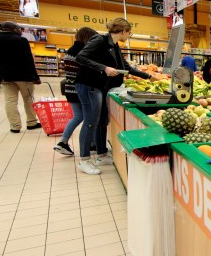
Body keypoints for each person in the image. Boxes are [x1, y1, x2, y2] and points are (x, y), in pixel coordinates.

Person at [75, 18, 153, 175]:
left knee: (102, 120)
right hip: (90, 85)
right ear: (123, 31)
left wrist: (149, 77)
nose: (129, 35)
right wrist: (104, 68)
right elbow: (81, 57)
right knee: (91, 122)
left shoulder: (114, 45)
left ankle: (101, 154)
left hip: (101, 87)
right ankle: (84, 160)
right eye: (129, 32)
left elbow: (126, 67)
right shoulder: (100, 40)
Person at [0, 21, 42, 133]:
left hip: (5, 76)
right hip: (24, 76)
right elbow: (28, 60)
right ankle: (31, 122)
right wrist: (35, 76)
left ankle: (15, 126)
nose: (20, 31)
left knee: (10, 101)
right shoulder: (21, 40)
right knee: (28, 99)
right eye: (18, 28)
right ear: (13, 28)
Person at [54, 27, 97, 156]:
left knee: (78, 116)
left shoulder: (70, 51)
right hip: (81, 89)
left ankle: (63, 142)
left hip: (70, 88)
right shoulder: (83, 52)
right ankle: (91, 144)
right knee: (90, 118)